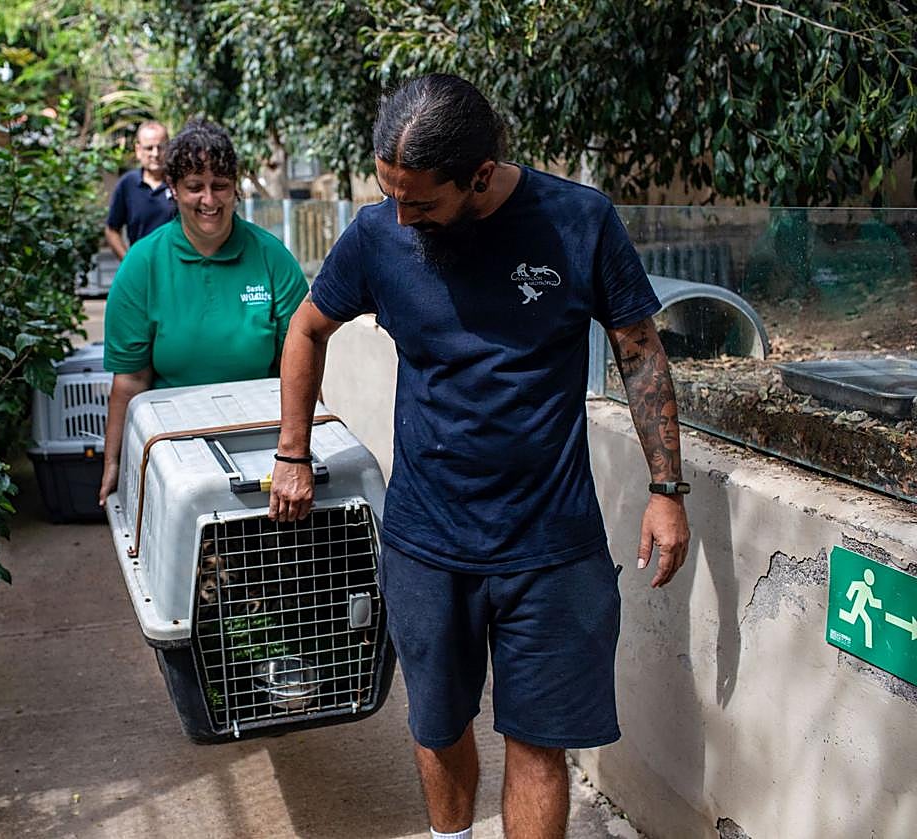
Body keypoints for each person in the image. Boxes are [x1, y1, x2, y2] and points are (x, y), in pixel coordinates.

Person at [268, 74, 691, 839]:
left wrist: (667, 486)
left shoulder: (578, 221)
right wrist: (290, 452)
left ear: (481, 176)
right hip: (428, 540)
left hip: (550, 545)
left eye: (422, 201)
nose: (402, 216)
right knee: (437, 726)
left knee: (537, 740)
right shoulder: (376, 236)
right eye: (391, 193)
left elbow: (639, 350)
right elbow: (306, 330)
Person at [97, 119, 310, 503]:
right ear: (174, 190)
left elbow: (297, 365)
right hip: (175, 449)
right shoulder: (142, 265)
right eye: (195, 187)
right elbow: (130, 381)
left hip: (261, 441)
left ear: (235, 190)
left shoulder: (272, 258)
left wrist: (299, 452)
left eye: (220, 186)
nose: (209, 200)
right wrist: (115, 463)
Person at [104, 121, 176, 260]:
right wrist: (128, 262)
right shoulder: (128, 184)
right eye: (149, 148)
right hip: (142, 269)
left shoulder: (180, 183)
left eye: (161, 147)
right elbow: (112, 229)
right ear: (138, 150)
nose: (155, 154)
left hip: (178, 268)